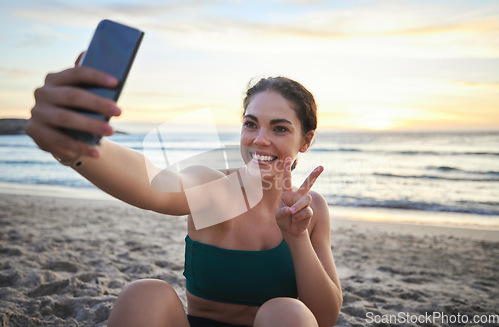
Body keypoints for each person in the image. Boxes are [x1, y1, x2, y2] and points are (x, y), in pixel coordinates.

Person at [26, 56, 343, 326]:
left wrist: (297, 237)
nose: (260, 139)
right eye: (250, 124)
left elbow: (324, 317)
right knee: (145, 293)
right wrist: (73, 144)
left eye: (280, 128)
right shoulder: (217, 188)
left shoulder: (311, 208)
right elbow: (154, 185)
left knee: (286, 310)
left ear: (306, 140)